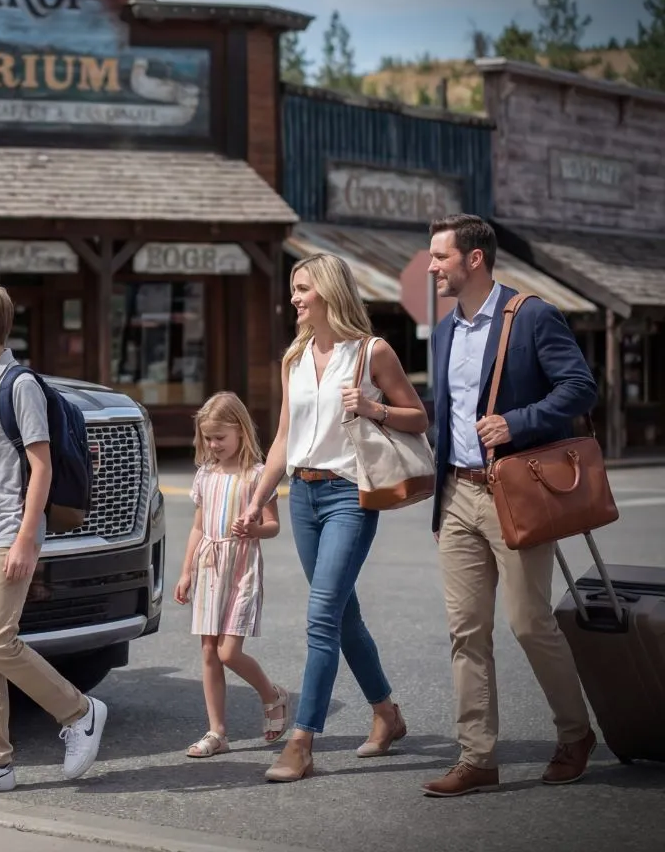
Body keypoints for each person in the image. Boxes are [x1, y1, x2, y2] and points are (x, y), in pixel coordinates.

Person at [421, 213, 598, 797]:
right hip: (457, 494)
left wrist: (518, 421)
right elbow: (442, 411)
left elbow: (579, 387)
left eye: (440, 256)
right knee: (465, 630)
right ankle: (477, 757)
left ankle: (576, 734)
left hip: (512, 492)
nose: (432, 266)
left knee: (528, 622)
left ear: (474, 259)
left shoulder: (532, 316)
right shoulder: (444, 330)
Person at [239, 252, 427, 783]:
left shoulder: (373, 352)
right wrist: (258, 498)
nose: (294, 298)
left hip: (350, 495)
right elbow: (282, 438)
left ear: (328, 291)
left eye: (303, 289)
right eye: (294, 290)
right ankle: (387, 714)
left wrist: (374, 409)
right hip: (303, 494)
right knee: (342, 616)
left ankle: (302, 741)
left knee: (321, 618)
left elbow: (419, 417)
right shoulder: (293, 358)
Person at [0, 282, 106, 797]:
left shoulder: (19, 386)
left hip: (10, 534)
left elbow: (41, 466)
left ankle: (81, 711)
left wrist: (28, 536)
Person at [174, 391, 289, 758]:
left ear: (240, 431)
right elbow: (197, 527)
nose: (213, 444)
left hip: (241, 568)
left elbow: (273, 526)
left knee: (227, 652)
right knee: (208, 650)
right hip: (208, 564)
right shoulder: (205, 474)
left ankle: (272, 695)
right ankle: (217, 732)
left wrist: (254, 530)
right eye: (208, 437)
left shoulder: (257, 476)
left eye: (220, 437)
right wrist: (186, 570)